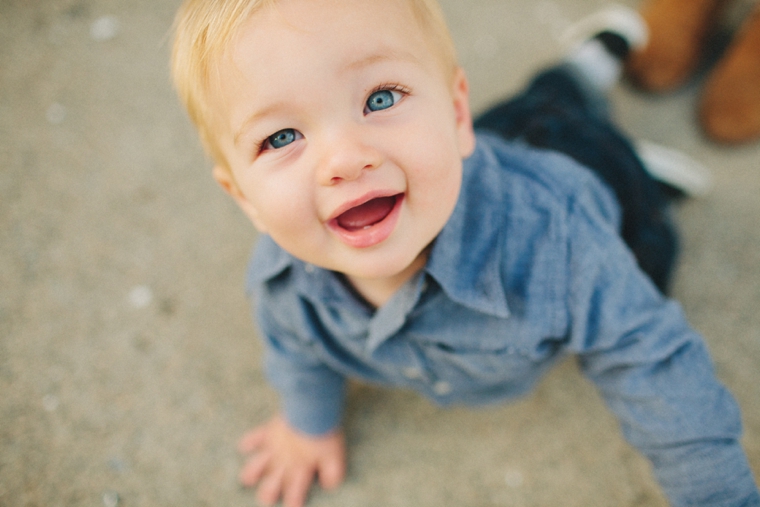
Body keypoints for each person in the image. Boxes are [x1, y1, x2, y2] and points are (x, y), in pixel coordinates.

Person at [170, 1, 760, 506]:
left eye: (379, 98)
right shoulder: (282, 286)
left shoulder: (562, 243)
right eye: (280, 137)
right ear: (243, 196)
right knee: (545, 103)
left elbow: (650, 360)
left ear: (454, 114)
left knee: (578, 129)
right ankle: (595, 74)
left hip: (585, 175)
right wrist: (308, 424)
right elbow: (295, 353)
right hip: (488, 146)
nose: (345, 159)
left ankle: (613, 106)